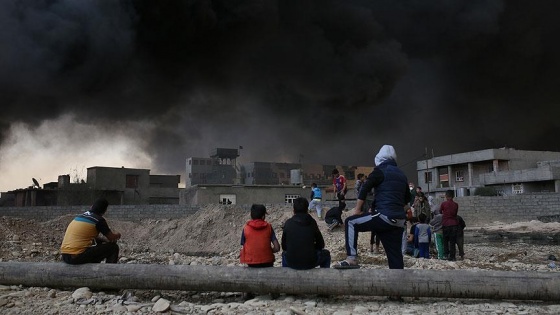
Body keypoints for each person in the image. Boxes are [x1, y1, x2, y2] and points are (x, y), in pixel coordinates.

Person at [334, 144, 410, 270]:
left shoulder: (379, 171)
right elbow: (407, 198)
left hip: (384, 216)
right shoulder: (402, 175)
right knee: (395, 257)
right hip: (398, 222)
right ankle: (399, 283)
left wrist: (357, 210)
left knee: (350, 222)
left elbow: (365, 188)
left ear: (379, 158)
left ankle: (351, 258)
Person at [60, 198, 121, 264]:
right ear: (105, 210)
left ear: (92, 206)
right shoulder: (98, 220)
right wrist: (118, 235)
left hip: (65, 255)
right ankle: (109, 272)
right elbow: (111, 238)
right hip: (76, 256)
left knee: (97, 244)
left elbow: (87, 237)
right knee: (113, 248)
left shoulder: (80, 217)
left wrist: (103, 240)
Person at [281, 197, 331, 269]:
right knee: (326, 254)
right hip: (310, 262)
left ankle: (286, 276)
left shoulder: (288, 223)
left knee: (284, 254)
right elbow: (321, 244)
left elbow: (284, 246)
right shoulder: (312, 222)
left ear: (293, 210)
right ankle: (325, 277)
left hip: (291, 262)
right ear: (307, 210)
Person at [441, 189, 460, 261]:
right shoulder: (456, 204)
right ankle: (453, 256)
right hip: (454, 224)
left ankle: (446, 255)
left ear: (446, 196)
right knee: (452, 241)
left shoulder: (443, 204)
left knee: (445, 240)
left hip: (446, 224)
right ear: (453, 196)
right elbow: (455, 214)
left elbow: (440, 211)